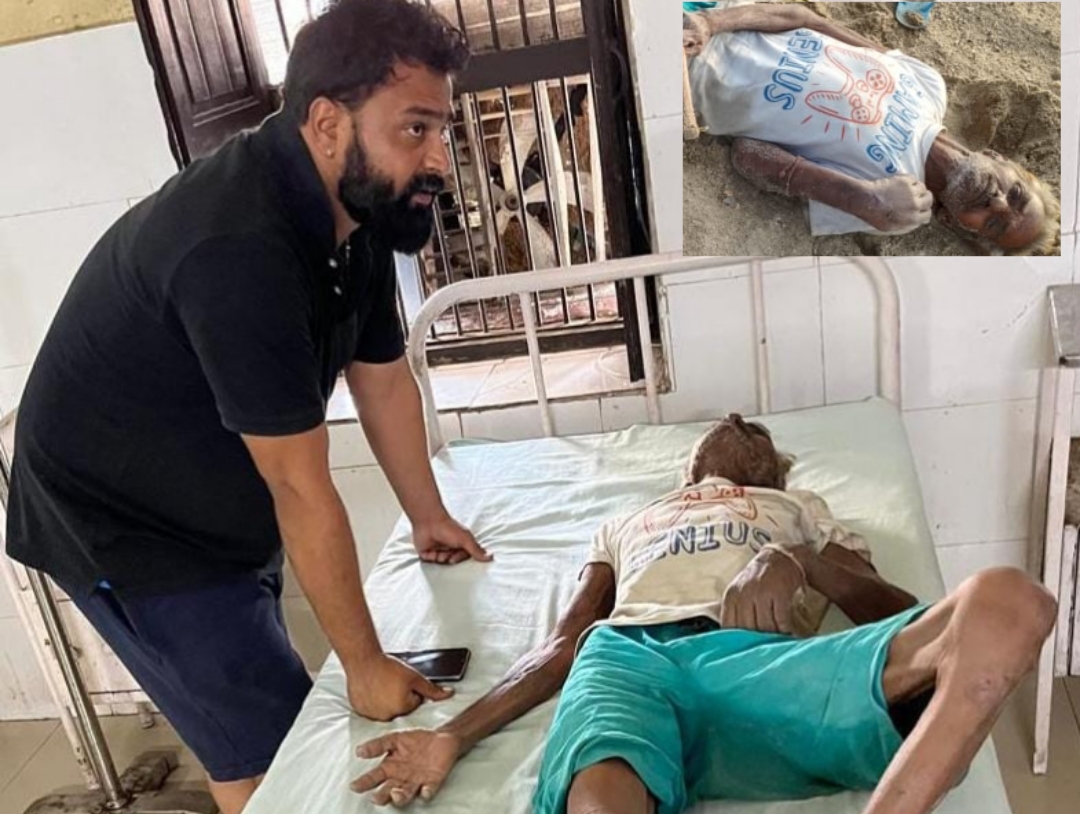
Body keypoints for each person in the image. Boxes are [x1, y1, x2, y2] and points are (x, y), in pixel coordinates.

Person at [2, 1, 488, 811]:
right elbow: (299, 484)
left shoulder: (360, 210)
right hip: (124, 524)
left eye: (443, 128)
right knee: (275, 754)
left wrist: (427, 516)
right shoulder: (238, 248)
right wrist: (365, 667)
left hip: (207, 490)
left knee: (257, 719)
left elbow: (382, 377)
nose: (439, 159)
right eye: (416, 129)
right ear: (327, 123)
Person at [351, 414, 1056, 814]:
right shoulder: (627, 521)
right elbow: (564, 644)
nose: (736, 422)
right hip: (627, 659)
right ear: (687, 472)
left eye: (756, 434)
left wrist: (799, 560)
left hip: (763, 662)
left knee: (1009, 602)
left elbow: (902, 615)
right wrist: (451, 736)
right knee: (598, 801)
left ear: (774, 472)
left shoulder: (799, 510)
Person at [682, 2, 1059, 255]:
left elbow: (748, 155)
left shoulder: (897, 207)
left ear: (952, 221)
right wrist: (711, 23)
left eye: (994, 224)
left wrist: (862, 199)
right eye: (1016, 194)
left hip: (688, 76)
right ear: (999, 157)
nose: (997, 203)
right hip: (719, 11)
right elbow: (808, 20)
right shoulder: (930, 87)